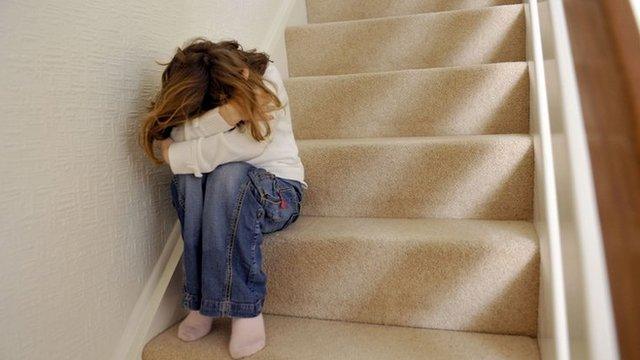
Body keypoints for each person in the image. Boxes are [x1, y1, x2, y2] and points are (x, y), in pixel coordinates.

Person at [139, 37, 306, 359]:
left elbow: (250, 146)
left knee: (229, 173)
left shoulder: (263, 78)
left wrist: (180, 153)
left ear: (242, 74)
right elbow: (171, 133)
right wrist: (227, 115)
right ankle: (203, 303)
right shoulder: (200, 85)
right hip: (220, 199)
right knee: (190, 178)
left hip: (278, 195)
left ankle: (245, 309)